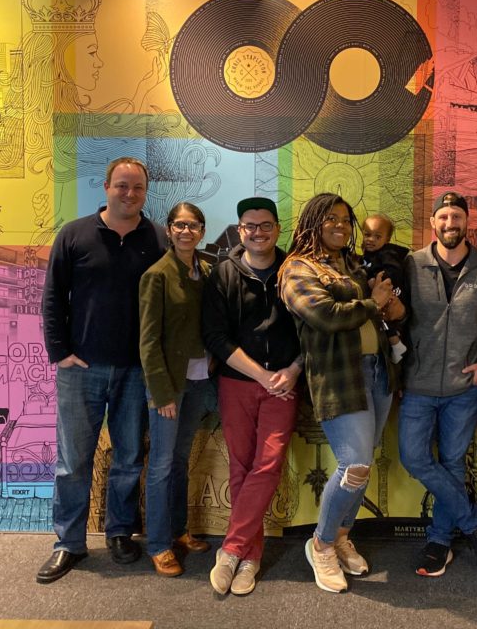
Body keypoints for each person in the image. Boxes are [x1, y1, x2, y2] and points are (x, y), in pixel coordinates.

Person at [38, 156, 166, 584]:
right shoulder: (74, 234)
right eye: (122, 185)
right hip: (81, 369)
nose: (130, 193)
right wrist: (60, 352)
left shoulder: (158, 238)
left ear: (145, 192)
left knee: (128, 458)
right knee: (73, 461)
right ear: (107, 187)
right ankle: (68, 543)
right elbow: (53, 296)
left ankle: (119, 532)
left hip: (136, 370)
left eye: (138, 187)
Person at [279, 193, 402, 594]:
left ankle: (342, 535)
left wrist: (386, 303)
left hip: (377, 370)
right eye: (330, 218)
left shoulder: (352, 263)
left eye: (346, 220)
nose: (340, 226)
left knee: (366, 460)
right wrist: (373, 303)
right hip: (338, 376)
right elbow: (324, 316)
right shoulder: (297, 268)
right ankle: (321, 544)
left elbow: (381, 305)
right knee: (355, 466)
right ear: (313, 221)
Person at [399, 191, 477, 577]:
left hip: (465, 387)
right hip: (418, 383)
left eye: (457, 216)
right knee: (413, 458)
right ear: (433, 223)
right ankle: (475, 518)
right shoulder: (412, 264)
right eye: (443, 217)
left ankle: (440, 541)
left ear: (467, 222)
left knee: (452, 462)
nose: (450, 223)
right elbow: (397, 318)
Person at [202, 197, 303, 597]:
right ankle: (250, 556)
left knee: (268, 464)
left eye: (265, 225)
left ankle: (231, 550)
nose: (257, 232)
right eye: (249, 226)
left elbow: (312, 330)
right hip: (238, 382)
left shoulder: (294, 270)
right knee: (241, 466)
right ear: (240, 230)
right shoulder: (223, 273)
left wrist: (293, 370)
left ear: (277, 229)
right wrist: (260, 375)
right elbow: (215, 336)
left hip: (285, 384)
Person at [138, 202, 217, 578]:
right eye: (179, 225)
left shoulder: (206, 271)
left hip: (199, 379)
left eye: (193, 225)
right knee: (161, 465)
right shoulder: (156, 275)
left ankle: (178, 530)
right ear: (169, 230)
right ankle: (158, 544)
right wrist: (161, 393)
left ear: (202, 231)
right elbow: (148, 341)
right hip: (169, 384)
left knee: (180, 459)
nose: (186, 231)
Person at [360, 213, 410, 363]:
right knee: (380, 317)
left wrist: (378, 281)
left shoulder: (387, 253)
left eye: (377, 237)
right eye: (367, 235)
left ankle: (396, 344)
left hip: (391, 291)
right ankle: (396, 344)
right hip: (380, 293)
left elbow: (394, 271)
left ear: (387, 239)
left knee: (384, 315)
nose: (371, 239)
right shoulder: (368, 254)